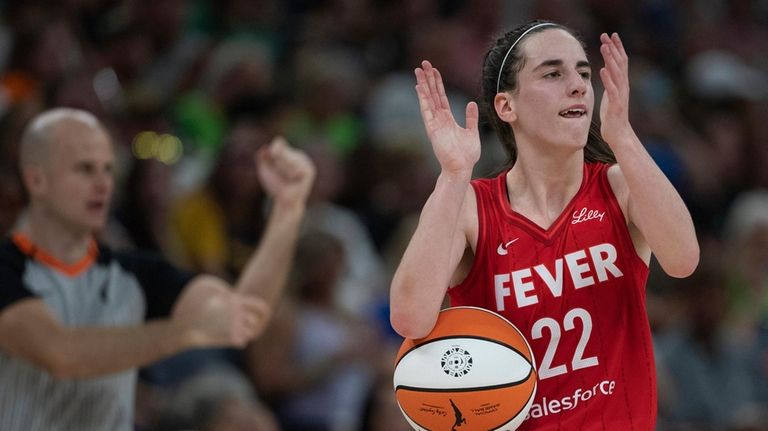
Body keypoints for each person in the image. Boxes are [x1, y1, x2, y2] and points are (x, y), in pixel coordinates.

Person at [390, 20, 699, 430]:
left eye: (584, 73)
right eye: (553, 73)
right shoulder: (472, 206)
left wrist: (622, 135)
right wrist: (452, 175)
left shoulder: (619, 187)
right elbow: (410, 319)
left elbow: (683, 260)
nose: (577, 85)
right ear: (506, 106)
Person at [0, 107, 315, 431]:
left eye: (107, 170)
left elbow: (244, 315)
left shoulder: (131, 272)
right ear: (37, 180)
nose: (101, 184)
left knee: (246, 420)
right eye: (83, 169)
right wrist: (184, 332)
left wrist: (288, 209)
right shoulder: (8, 267)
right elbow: (62, 356)